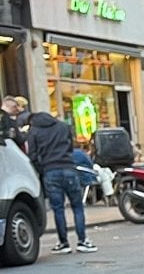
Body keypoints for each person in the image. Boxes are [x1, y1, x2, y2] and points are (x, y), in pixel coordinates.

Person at [26, 106, 95, 252]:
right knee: (77, 206)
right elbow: (70, 147)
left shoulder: (34, 131)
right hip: (68, 167)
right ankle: (83, 241)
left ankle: (63, 243)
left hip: (50, 171)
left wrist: (41, 168)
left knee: (58, 209)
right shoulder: (63, 127)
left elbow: (32, 155)